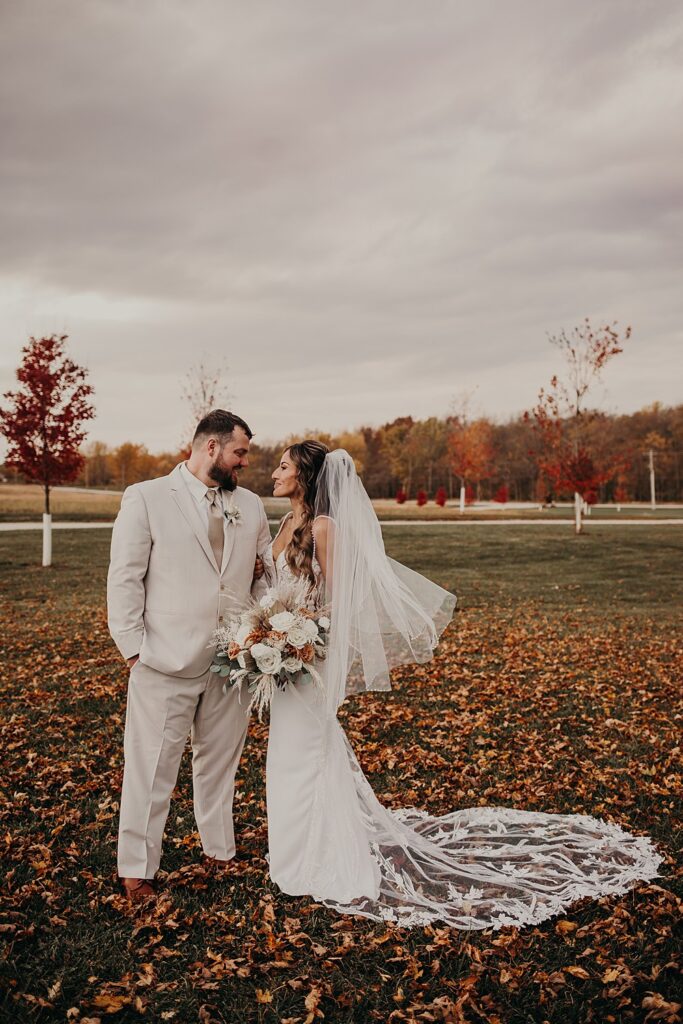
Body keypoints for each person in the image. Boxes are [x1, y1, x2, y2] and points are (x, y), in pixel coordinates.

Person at [263, 442, 663, 929]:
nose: (274, 471)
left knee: (308, 751)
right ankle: (288, 850)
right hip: (278, 658)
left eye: (283, 465)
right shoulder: (283, 527)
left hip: (309, 658)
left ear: (305, 475)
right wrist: (264, 632)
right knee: (283, 753)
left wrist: (302, 637)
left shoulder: (325, 528)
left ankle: (319, 854)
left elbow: (340, 602)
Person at [107, 410, 272, 902]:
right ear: (211, 448)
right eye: (240, 452)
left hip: (233, 660)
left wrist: (268, 627)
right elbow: (125, 578)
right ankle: (136, 869)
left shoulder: (251, 506)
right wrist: (135, 651)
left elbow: (262, 576)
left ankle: (219, 849)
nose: (244, 462)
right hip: (163, 661)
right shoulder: (148, 497)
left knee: (220, 763)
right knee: (153, 766)